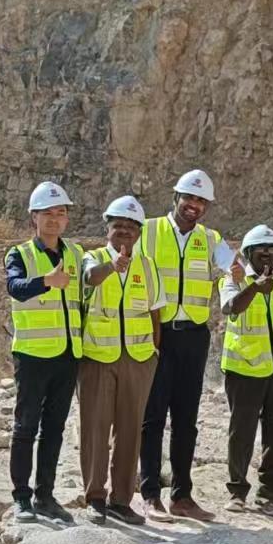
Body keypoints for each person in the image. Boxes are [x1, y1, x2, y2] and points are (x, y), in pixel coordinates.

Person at [135, 168, 238, 521]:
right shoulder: (147, 231)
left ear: (206, 206)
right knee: (152, 417)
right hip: (157, 333)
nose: (193, 205)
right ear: (175, 198)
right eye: (188, 198)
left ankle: (182, 495)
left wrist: (241, 273)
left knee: (186, 419)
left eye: (200, 201)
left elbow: (232, 266)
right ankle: (150, 493)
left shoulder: (211, 240)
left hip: (193, 336)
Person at [77, 196, 166, 525]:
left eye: (131, 227)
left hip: (139, 358)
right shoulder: (93, 258)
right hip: (98, 358)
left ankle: (121, 500)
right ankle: (95, 497)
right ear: (108, 229)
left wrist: (154, 354)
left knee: (130, 431)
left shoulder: (148, 267)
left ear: (140, 233)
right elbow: (90, 278)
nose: (125, 232)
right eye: (119, 226)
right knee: (96, 429)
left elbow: (156, 312)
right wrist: (112, 266)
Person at [3, 180, 83, 523]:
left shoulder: (76, 254)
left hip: (67, 355)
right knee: (25, 428)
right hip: (34, 356)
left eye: (60, 213)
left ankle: (45, 495)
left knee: (55, 428)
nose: (54, 219)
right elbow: (15, 288)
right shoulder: (19, 254)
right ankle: (21, 497)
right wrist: (47, 281)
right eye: (47, 213)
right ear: (34, 217)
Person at [218, 225, 273, 515]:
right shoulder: (234, 280)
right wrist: (253, 286)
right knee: (242, 433)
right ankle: (237, 491)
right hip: (244, 373)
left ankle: (269, 495)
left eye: (272, 251)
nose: (267, 255)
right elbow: (230, 308)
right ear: (248, 254)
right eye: (260, 251)